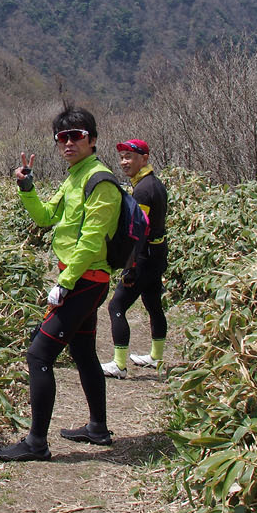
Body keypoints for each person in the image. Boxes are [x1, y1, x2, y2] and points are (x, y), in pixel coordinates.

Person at [0, 106, 120, 462]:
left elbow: (93, 240)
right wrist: (27, 187)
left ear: (92, 139)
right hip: (78, 277)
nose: (68, 143)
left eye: (76, 136)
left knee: (39, 354)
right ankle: (97, 427)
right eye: (61, 137)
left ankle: (37, 443)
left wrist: (64, 284)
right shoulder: (74, 177)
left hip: (86, 279)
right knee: (82, 352)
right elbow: (47, 217)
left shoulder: (101, 180)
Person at [102, 139, 169, 378]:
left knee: (116, 306)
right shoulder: (155, 184)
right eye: (122, 157)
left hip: (144, 257)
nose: (124, 162)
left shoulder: (143, 189)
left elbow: (139, 231)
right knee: (153, 304)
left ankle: (119, 364)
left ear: (144, 158)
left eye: (129, 156)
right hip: (158, 253)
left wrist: (129, 267)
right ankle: (156, 358)